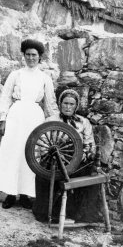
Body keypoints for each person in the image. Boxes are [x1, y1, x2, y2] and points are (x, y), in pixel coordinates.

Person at [0, 39, 59, 209]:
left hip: (34, 117)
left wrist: (54, 123)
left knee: (31, 153)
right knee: (13, 152)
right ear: (24, 56)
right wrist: (3, 118)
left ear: (39, 57)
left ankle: (27, 194)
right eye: (27, 54)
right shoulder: (16, 75)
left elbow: (50, 103)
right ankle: (11, 193)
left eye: (34, 55)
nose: (30, 58)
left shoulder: (45, 78)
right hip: (16, 116)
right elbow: (5, 97)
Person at [33, 89, 103, 223]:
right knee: (44, 175)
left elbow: (89, 144)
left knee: (90, 174)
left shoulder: (84, 122)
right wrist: (48, 155)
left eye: (71, 104)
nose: (68, 107)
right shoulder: (51, 120)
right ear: (60, 104)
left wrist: (86, 155)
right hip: (54, 161)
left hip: (77, 162)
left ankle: (81, 214)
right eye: (65, 103)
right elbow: (41, 142)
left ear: (76, 106)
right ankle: (51, 214)